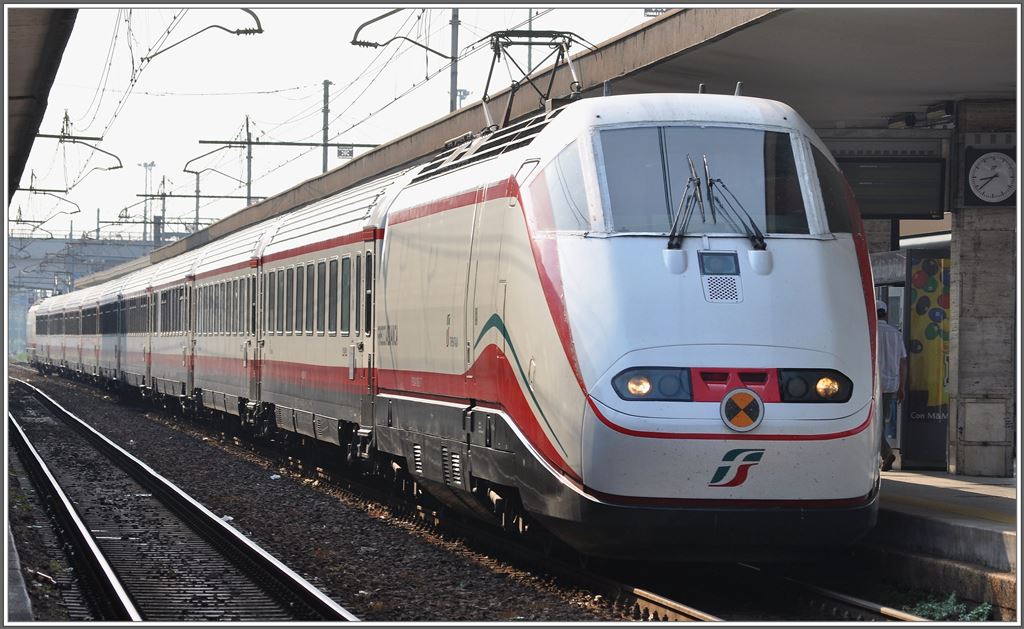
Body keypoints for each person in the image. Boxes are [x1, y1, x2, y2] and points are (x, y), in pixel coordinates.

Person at [876, 298, 906, 471]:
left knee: (875, 423)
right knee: (881, 422)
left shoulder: (870, 332)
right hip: (891, 384)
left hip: (873, 384)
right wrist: (902, 386)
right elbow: (903, 361)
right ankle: (883, 454)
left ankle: (886, 453)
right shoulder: (896, 333)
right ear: (886, 314)